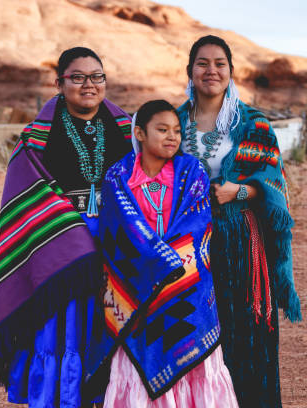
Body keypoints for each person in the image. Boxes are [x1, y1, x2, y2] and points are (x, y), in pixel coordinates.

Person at [0, 47, 133, 407]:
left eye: (96, 76)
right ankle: (60, 398)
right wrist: (74, 236)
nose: (88, 85)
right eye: (77, 77)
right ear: (59, 83)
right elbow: (26, 191)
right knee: (63, 328)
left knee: (113, 321)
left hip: (117, 242)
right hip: (60, 244)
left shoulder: (128, 130)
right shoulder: (37, 137)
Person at [176, 35, 302, 407]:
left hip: (240, 244)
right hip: (185, 245)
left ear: (231, 72)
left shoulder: (253, 124)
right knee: (193, 335)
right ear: (190, 70)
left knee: (246, 335)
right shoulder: (171, 121)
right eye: (202, 63)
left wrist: (239, 192)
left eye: (219, 64)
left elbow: (274, 187)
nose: (210, 70)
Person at [97, 100, 238, 407]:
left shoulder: (192, 172)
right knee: (137, 367)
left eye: (176, 130)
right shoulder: (118, 177)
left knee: (194, 366)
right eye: (162, 130)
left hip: (185, 289)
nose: (172, 136)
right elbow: (117, 234)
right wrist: (154, 264)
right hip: (136, 291)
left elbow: (197, 227)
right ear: (140, 133)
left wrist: (165, 266)